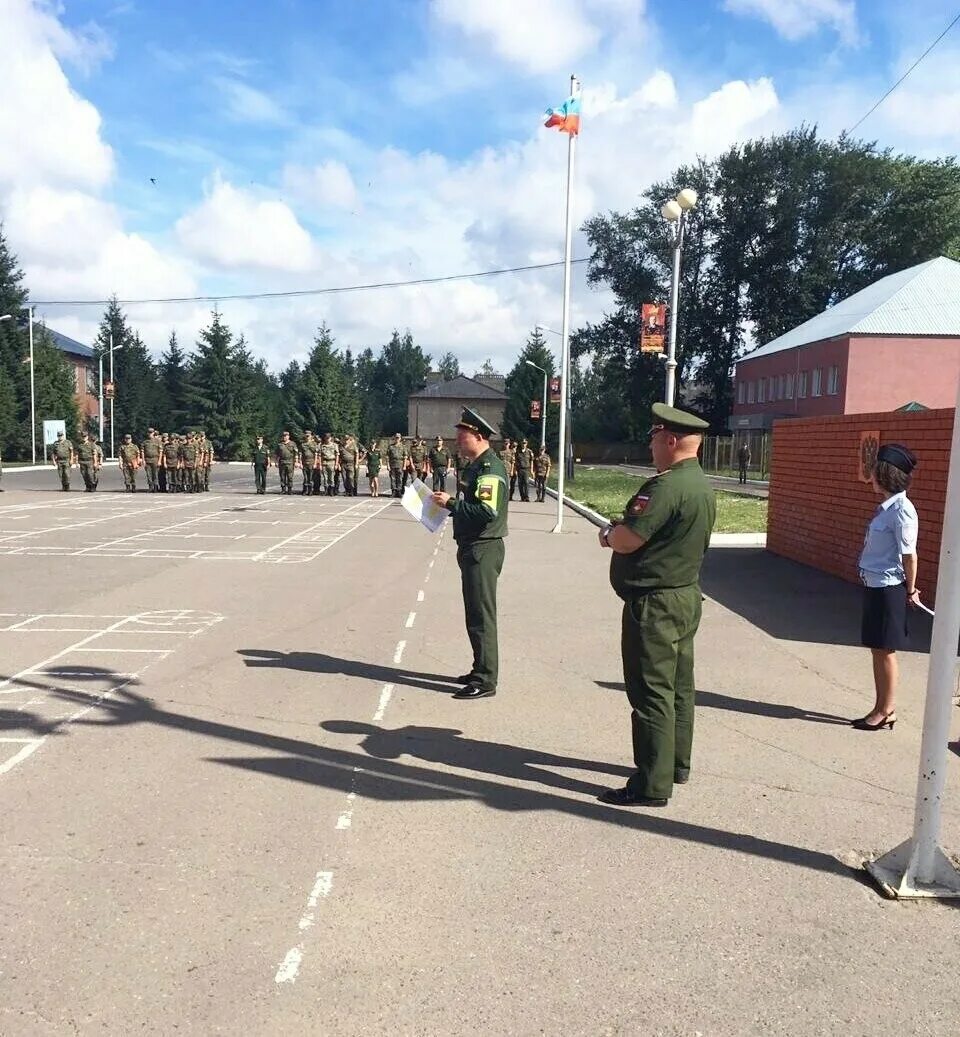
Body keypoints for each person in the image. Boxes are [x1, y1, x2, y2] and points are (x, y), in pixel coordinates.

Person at [597, 403, 715, 808]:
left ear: (671, 440)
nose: (650, 446)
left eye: (654, 438)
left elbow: (630, 539)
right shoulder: (700, 483)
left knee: (651, 694)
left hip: (656, 604)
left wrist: (609, 535)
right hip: (684, 596)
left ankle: (651, 782)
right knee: (680, 688)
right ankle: (676, 764)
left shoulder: (665, 487)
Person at [431, 408, 508, 700]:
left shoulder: (489, 469)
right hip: (473, 547)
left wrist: (450, 503)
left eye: (461, 436)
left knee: (481, 616)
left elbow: (487, 512)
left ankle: (486, 679)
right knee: (474, 613)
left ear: (478, 436)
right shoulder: (477, 465)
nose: (457, 442)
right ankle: (480, 668)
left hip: (483, 549)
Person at [853, 444, 920, 731]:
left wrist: (911, 590)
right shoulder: (887, 508)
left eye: (875, 473)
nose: (871, 478)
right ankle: (880, 706)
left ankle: (887, 709)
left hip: (889, 588)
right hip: (875, 585)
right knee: (877, 649)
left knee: (885, 650)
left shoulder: (902, 511)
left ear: (885, 475)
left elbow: (909, 554)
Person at [387, 433, 407, 498]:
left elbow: (405, 457)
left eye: (398, 438)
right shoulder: (391, 447)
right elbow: (387, 456)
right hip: (392, 464)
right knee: (393, 478)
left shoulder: (403, 447)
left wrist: (404, 465)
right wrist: (388, 465)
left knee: (400, 478)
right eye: (396, 438)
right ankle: (393, 491)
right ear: (394, 438)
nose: (397, 439)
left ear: (400, 439)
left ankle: (399, 491)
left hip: (400, 464)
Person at [514, 438, 534, 502]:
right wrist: (515, 470)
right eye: (523, 443)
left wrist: (531, 470)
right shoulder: (518, 451)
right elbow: (515, 461)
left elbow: (531, 461)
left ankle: (527, 497)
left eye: (525, 443)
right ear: (521, 444)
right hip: (519, 469)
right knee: (520, 484)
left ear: (527, 444)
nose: (523, 444)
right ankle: (522, 497)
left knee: (526, 483)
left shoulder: (529, 451)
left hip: (526, 469)